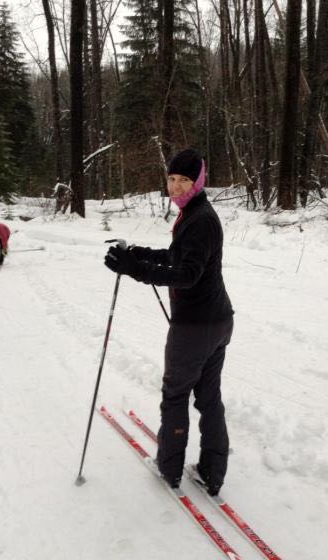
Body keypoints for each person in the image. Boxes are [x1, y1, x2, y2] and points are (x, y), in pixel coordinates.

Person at [104, 148, 234, 496]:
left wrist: (134, 269)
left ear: (198, 181)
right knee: (208, 397)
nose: (175, 187)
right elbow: (179, 257)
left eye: (184, 180)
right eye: (171, 178)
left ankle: (170, 468)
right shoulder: (195, 213)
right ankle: (212, 472)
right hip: (216, 322)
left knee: (175, 395)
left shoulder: (200, 219)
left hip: (195, 328)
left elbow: (187, 275)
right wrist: (138, 254)